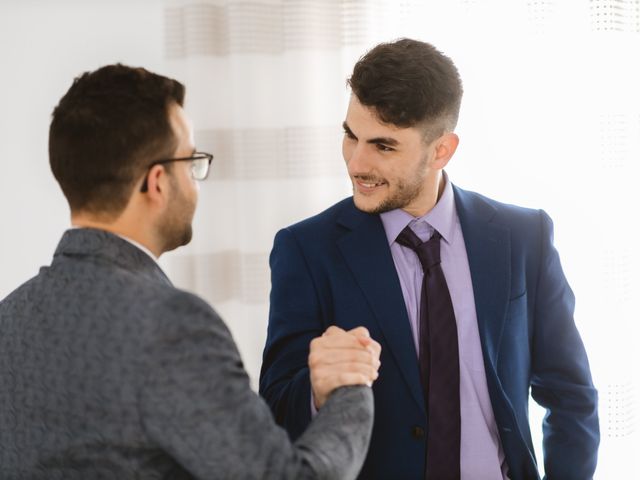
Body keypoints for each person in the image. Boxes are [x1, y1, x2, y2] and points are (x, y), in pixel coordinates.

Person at [0, 64, 381, 480]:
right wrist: (351, 387)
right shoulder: (171, 326)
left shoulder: (10, 316)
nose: (197, 181)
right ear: (158, 182)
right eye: (192, 161)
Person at [259, 39, 599, 480]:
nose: (356, 163)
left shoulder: (523, 236)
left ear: (441, 150)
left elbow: (571, 393)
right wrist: (317, 389)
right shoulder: (305, 250)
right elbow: (274, 409)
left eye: (383, 146)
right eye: (350, 135)